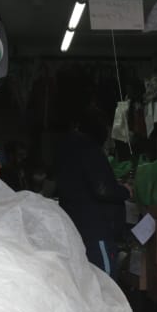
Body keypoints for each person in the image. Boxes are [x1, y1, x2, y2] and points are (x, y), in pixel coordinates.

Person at [52, 105, 127, 275]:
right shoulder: (88, 149)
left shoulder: (67, 149)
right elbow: (103, 189)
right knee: (106, 285)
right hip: (95, 231)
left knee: (88, 282)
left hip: (76, 228)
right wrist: (124, 190)